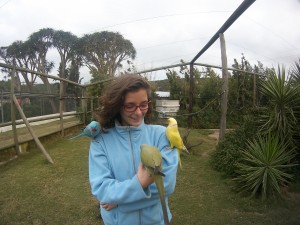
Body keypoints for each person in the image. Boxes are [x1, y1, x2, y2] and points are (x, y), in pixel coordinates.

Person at [89, 74, 178, 225]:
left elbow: (167, 185)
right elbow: (102, 189)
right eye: (130, 106)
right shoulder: (100, 141)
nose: (138, 112)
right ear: (117, 105)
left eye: (143, 104)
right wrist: (139, 183)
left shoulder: (161, 135)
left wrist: (120, 202)